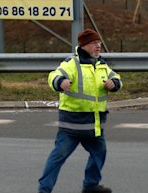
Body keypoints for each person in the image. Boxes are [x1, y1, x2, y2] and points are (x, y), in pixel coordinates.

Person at [38, 28, 122, 193]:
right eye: (93, 43)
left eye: (99, 42)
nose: (98, 46)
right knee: (57, 158)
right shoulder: (72, 63)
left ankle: (91, 186)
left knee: (99, 153)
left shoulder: (101, 65)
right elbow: (54, 75)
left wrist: (115, 83)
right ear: (83, 46)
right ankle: (44, 190)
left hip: (94, 126)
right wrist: (60, 81)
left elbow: (117, 78)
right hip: (72, 126)